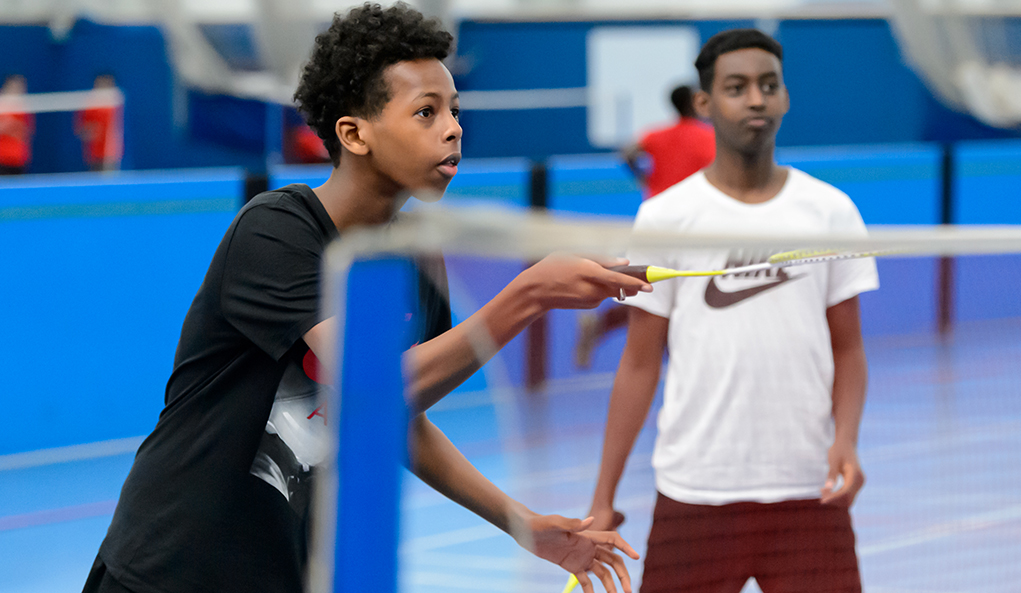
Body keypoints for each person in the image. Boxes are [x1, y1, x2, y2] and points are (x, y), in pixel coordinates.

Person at [82, 5, 647, 593]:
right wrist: (529, 294)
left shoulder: (418, 263)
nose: (453, 128)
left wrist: (520, 522)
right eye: (426, 112)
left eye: (455, 110)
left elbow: (397, 416)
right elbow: (371, 383)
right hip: (169, 568)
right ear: (354, 133)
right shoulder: (277, 229)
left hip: (286, 574)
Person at [587, 29, 878, 593]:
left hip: (807, 492)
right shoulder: (667, 217)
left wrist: (846, 440)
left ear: (786, 98)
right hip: (696, 491)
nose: (756, 99)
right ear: (705, 103)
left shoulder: (831, 211)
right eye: (737, 87)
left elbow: (849, 346)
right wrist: (604, 495)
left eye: (769, 86)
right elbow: (640, 362)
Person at [575, 86, 715, 368]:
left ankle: (602, 323)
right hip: (688, 227)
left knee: (651, 290)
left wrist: (643, 177)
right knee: (681, 294)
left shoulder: (656, 135)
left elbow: (628, 153)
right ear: (696, 103)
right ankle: (680, 361)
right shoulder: (707, 137)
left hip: (655, 221)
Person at [75, 74, 122, 172]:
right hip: (93, 154)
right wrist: (89, 131)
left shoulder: (115, 104)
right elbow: (82, 130)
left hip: (111, 153)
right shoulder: (90, 105)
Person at [0, 74, 34, 175]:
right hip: (2, 157)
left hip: (18, 158)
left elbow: (26, 132)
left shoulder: (25, 109)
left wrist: (11, 125)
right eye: (14, 87)